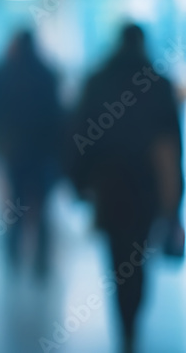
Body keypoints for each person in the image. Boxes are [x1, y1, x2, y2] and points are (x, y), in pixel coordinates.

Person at [69, 24, 184, 352]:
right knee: (138, 253)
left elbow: (80, 135)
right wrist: (175, 200)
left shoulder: (97, 80)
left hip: (109, 183)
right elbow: (172, 145)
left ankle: (125, 322)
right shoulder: (159, 85)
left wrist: (78, 182)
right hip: (146, 184)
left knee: (118, 255)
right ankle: (132, 318)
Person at [0, 30, 62, 278]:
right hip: (42, 153)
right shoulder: (46, 73)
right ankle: (40, 259)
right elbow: (58, 114)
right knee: (42, 207)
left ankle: (13, 255)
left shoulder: (2, 72)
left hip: (12, 151)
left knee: (14, 204)